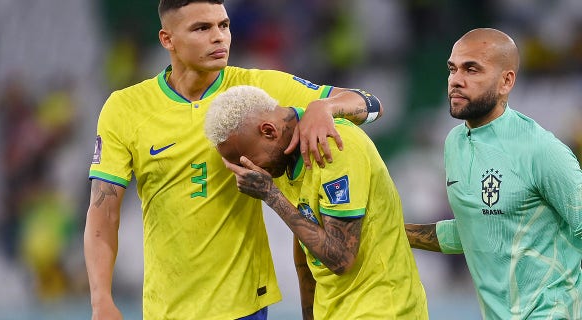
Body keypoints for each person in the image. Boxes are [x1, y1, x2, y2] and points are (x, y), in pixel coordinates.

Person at [83, 1, 383, 319]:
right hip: (166, 308)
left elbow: (370, 102)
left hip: (245, 305)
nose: (219, 37)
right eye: (202, 28)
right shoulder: (125, 108)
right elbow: (104, 216)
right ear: (167, 39)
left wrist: (324, 108)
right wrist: (101, 299)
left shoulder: (255, 88)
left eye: (223, 25)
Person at [204, 85, 428, 320]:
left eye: (249, 161)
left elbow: (341, 259)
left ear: (269, 131)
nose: (252, 171)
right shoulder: (283, 156)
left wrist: (271, 196)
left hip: (383, 309)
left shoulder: (333, 146)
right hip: (332, 311)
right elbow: (304, 238)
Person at [404, 28, 582, 319]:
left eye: (472, 69)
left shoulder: (540, 150)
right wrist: (396, 232)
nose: (456, 81)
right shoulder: (454, 144)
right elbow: (477, 230)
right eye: (453, 69)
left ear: (506, 81)